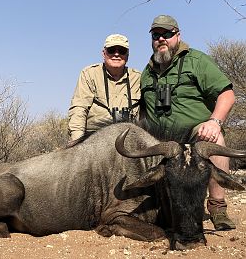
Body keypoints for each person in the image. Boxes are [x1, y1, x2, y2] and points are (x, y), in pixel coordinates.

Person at [140, 15, 236, 231]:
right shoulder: (146, 72)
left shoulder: (196, 60)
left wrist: (214, 122)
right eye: (156, 35)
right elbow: (143, 112)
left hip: (195, 133)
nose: (161, 39)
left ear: (178, 35)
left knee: (214, 138)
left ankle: (217, 207)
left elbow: (227, 94)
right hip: (162, 139)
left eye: (167, 34)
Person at [68, 34, 141, 141]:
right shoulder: (89, 74)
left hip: (129, 140)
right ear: (104, 53)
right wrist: (77, 143)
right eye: (111, 50)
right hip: (95, 140)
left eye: (122, 51)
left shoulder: (138, 78)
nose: (116, 54)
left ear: (128, 55)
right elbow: (79, 109)